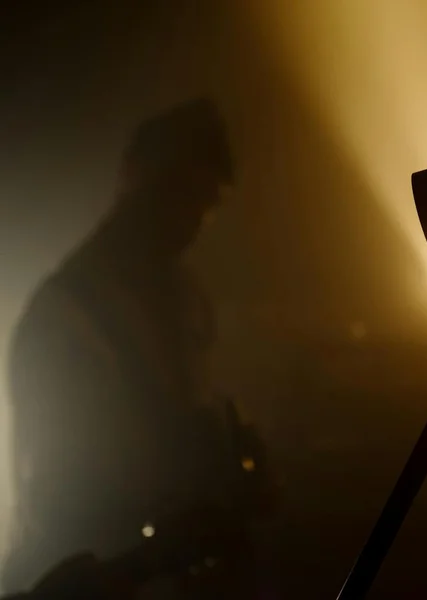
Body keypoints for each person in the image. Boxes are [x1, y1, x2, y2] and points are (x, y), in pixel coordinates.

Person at [3, 99, 271, 598]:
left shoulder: (184, 296)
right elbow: (60, 492)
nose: (188, 219)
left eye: (203, 204)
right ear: (134, 176)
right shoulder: (69, 313)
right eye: (178, 193)